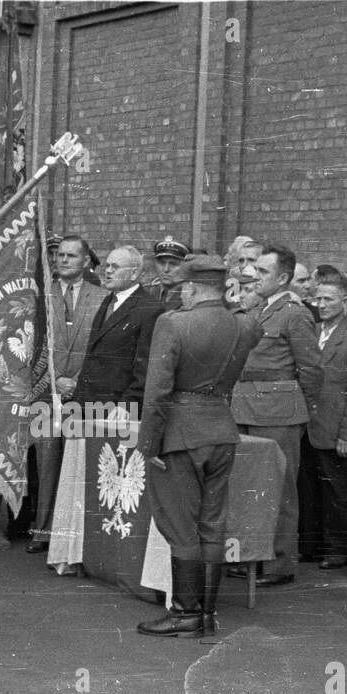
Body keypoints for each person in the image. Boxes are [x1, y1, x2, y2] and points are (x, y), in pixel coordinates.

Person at [136, 255, 262, 638]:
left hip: (180, 433)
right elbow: (247, 322)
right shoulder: (245, 326)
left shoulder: (173, 323)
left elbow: (157, 390)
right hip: (221, 430)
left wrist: (149, 443)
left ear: (190, 288)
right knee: (212, 525)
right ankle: (206, 614)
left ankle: (185, 614)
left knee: (180, 526)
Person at [229, 245, 321, 587]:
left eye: (263, 271)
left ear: (283, 277)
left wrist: (298, 404)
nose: (254, 275)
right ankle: (251, 556)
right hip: (245, 406)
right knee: (248, 487)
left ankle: (279, 563)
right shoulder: (260, 308)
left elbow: (311, 369)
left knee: (279, 490)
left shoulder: (294, 313)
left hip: (278, 412)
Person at [26, 234, 109, 554]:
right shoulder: (40, 296)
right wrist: (54, 378)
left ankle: (75, 535)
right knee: (45, 463)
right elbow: (31, 346)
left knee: (81, 463)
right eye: (59, 255)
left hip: (84, 392)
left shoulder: (102, 297)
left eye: (71, 256)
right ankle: (42, 531)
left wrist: (76, 381)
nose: (63, 260)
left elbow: (103, 349)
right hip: (46, 392)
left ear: (86, 261)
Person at [298, 269, 347, 569]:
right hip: (307, 426)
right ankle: (312, 546)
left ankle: (339, 549)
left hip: (335, 429)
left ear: (345, 300)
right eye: (318, 299)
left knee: (338, 490)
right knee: (309, 489)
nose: (322, 304)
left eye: (329, 299)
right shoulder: (312, 333)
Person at [73, 245, 163, 412]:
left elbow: (145, 368)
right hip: (87, 404)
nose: (108, 271)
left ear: (134, 273)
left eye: (115, 267)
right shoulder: (108, 301)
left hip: (116, 409)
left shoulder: (149, 309)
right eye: (107, 265)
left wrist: (128, 405)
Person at [147, 238, 189, 311]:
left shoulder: (191, 295)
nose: (166, 269)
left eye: (173, 264)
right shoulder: (149, 291)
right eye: (162, 263)